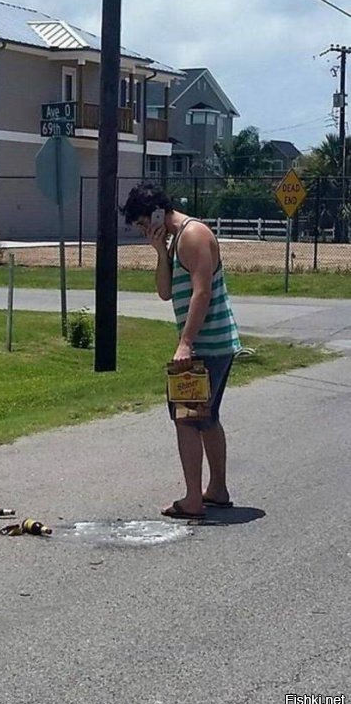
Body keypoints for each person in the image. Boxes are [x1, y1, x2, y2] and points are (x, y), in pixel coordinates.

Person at [120, 182, 241, 519]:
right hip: (209, 343)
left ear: (158, 213)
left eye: (143, 223)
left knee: (186, 419)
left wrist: (185, 343)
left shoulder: (193, 235)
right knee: (207, 418)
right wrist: (160, 252)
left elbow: (202, 292)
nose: (143, 230)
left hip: (208, 343)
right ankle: (216, 490)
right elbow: (164, 292)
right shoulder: (175, 242)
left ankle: (193, 500)